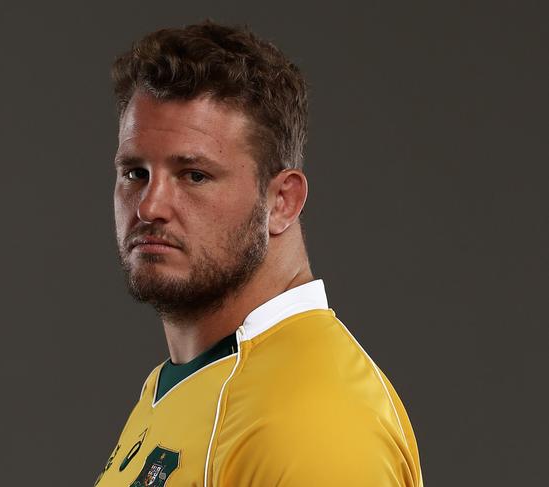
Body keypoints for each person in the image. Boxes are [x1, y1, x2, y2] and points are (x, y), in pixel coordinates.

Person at [96, 20, 423, 487]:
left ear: (282, 201)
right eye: (135, 173)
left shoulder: (313, 423)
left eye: (194, 175)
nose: (150, 206)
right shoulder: (190, 381)